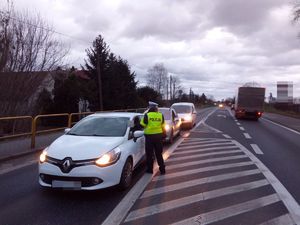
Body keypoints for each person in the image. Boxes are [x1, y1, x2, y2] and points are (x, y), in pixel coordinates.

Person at [140, 101, 166, 175]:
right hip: (158, 137)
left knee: (149, 154)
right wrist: (164, 135)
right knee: (159, 154)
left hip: (149, 138)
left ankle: (150, 170)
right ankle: (162, 169)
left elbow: (142, 125)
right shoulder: (160, 115)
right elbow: (163, 126)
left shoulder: (147, 115)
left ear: (149, 108)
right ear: (156, 108)